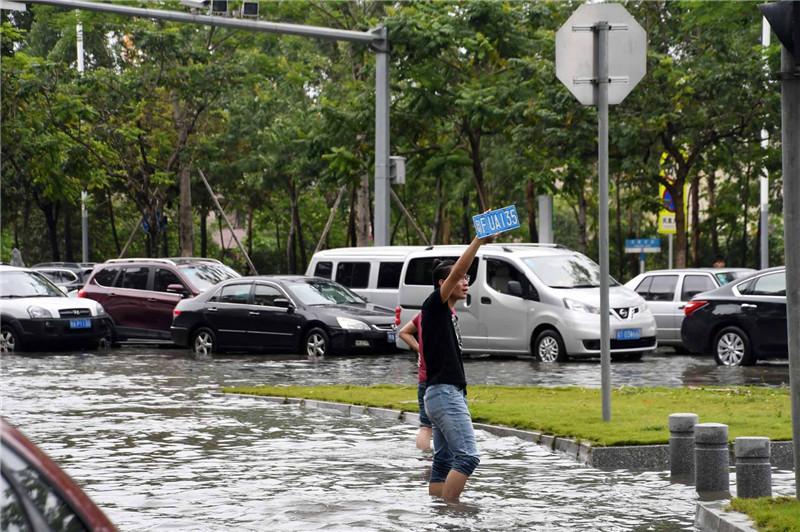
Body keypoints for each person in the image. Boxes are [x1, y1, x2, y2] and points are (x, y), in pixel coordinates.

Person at [421, 234, 490, 502]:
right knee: (468, 456)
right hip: (444, 394)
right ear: (443, 283)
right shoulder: (434, 305)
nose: (465, 282)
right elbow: (460, 267)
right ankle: (453, 512)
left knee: (444, 460)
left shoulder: (447, 313)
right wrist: (478, 241)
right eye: (461, 278)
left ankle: (437, 514)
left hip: (442, 394)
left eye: (467, 279)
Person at [398, 312, 432, 452]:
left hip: (424, 379)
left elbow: (403, 332)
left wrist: (420, 350)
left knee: (426, 426)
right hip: (436, 379)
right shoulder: (440, 312)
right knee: (430, 427)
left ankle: (424, 461)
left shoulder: (423, 314)